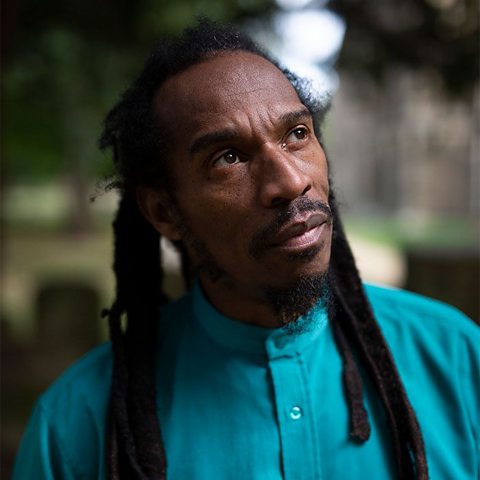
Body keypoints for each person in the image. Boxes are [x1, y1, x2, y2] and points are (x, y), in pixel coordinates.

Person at [13, 19, 479, 480]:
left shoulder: (456, 357)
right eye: (228, 158)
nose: (292, 181)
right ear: (164, 210)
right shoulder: (79, 427)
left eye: (296, 134)